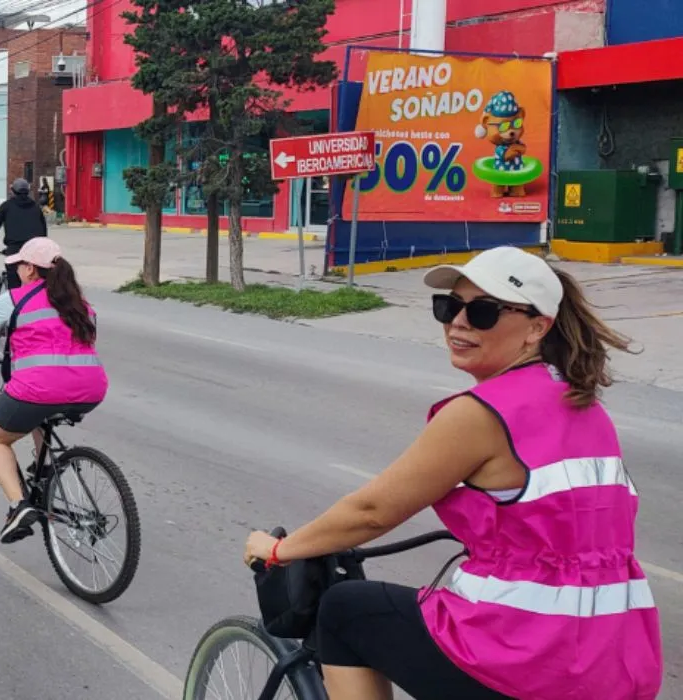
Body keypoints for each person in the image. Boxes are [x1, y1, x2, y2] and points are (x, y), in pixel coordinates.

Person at [241, 246, 661, 700]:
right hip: (613, 658)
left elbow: (372, 511)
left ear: (537, 328)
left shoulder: (479, 415)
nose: (458, 322)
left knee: (344, 610)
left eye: (482, 312)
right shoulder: (583, 404)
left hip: (528, 656)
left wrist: (280, 550)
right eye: (448, 306)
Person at [0, 238, 107, 543]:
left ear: (30, 269)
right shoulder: (81, 305)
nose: (16, 269)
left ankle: (18, 506)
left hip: (39, 388)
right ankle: (43, 475)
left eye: (19, 264)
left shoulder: (15, 299)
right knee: (41, 414)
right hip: (90, 388)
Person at [0, 178, 48, 290]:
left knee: (14, 286)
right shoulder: (36, 207)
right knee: (37, 282)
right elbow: (43, 231)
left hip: (15, 249)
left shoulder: (6, 206)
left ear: (12, 191)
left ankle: (15, 301)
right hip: (35, 249)